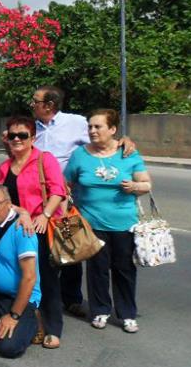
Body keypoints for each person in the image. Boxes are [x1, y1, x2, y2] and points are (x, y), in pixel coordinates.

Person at [64, 109, 151, 334]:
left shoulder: (128, 153)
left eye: (98, 127)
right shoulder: (80, 155)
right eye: (90, 127)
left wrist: (135, 187)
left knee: (124, 269)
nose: (92, 131)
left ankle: (127, 314)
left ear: (112, 129)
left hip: (124, 223)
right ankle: (100, 310)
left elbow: (146, 184)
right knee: (97, 269)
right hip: (91, 224)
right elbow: (66, 184)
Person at [0, 115, 67, 349]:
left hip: (41, 227)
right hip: (16, 229)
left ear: (32, 138)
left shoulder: (44, 160)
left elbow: (58, 190)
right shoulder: (5, 167)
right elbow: (0, 199)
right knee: (23, 277)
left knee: (47, 279)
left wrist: (44, 215)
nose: (17, 139)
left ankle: (53, 327)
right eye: (12, 135)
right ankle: (33, 320)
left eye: (22, 135)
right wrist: (21, 211)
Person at [29, 85, 90, 318]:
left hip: (65, 200)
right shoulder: (30, 127)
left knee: (69, 247)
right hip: (37, 201)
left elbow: (97, 143)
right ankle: (42, 296)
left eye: (35, 101)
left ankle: (72, 298)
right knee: (42, 251)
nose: (32, 104)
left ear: (49, 105)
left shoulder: (76, 123)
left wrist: (123, 141)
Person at [0, 183, 42, 358]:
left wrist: (13, 316)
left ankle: (32, 321)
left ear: (9, 204)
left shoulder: (22, 229)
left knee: (8, 348)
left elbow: (29, 278)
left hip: (21, 298)